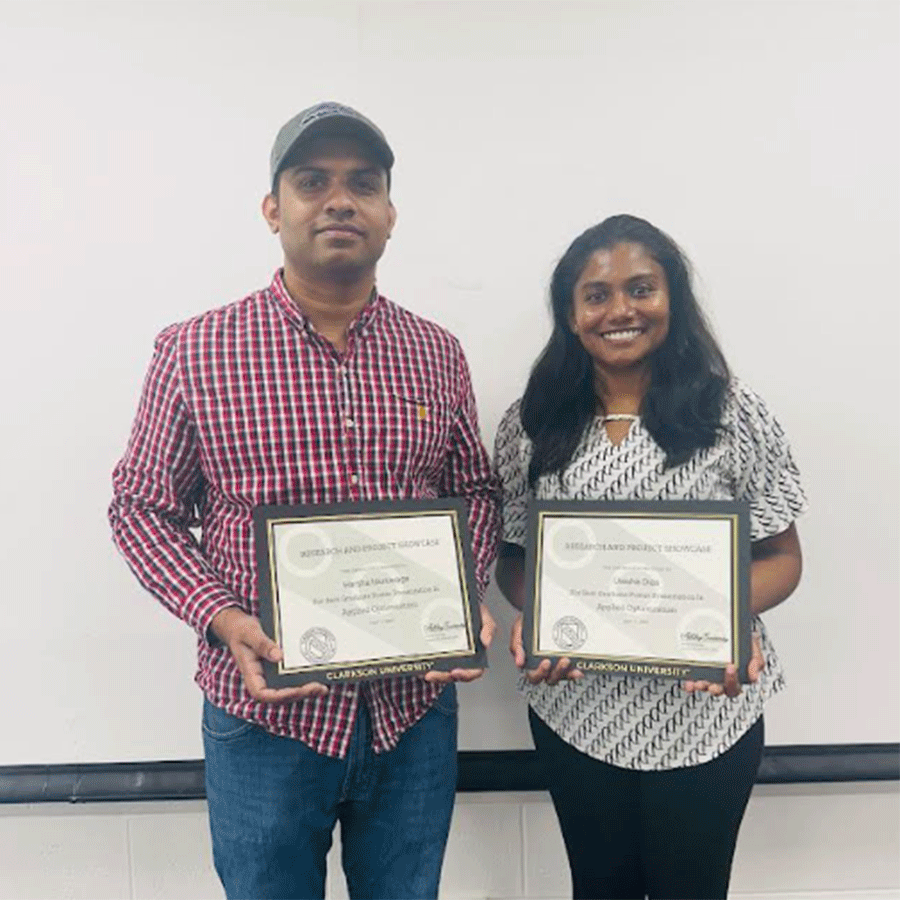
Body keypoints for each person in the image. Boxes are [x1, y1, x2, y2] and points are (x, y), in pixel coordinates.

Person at [109, 101, 499, 900]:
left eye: (363, 184)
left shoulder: (435, 351)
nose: (340, 201)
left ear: (390, 213)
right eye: (312, 181)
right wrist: (222, 617)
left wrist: (464, 589)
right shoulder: (196, 349)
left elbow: (477, 492)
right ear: (272, 208)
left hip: (412, 718)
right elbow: (139, 507)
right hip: (267, 723)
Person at [494, 214, 806, 900]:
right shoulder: (532, 423)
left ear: (675, 301)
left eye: (642, 288)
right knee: (598, 889)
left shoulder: (735, 414)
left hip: (707, 710)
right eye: (597, 295)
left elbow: (782, 557)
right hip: (576, 708)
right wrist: (537, 612)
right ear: (571, 315)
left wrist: (719, 614)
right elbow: (514, 560)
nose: (620, 310)